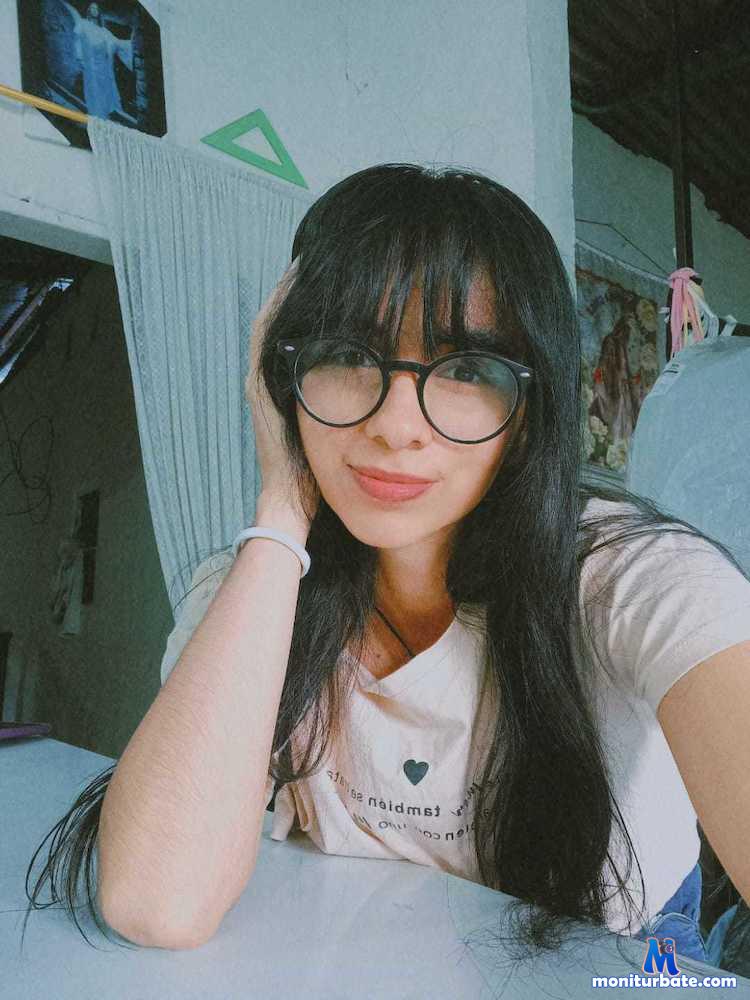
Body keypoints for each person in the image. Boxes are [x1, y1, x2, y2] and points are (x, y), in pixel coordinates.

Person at [22, 165, 750, 969]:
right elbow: (156, 901)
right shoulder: (256, 587)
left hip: (626, 956)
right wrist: (281, 508)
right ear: (284, 379)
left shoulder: (632, 578)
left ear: (528, 408)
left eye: (467, 368)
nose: (396, 424)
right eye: (346, 354)